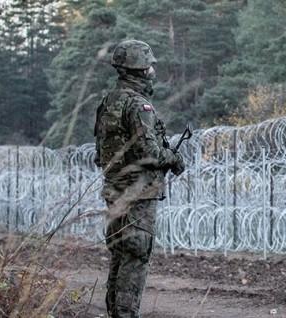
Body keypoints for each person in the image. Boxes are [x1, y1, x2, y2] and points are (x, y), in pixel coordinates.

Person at [94, 39, 185, 318]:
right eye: (149, 65)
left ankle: (115, 312)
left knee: (120, 255)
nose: (153, 70)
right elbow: (150, 153)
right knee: (136, 256)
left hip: (114, 191)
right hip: (139, 195)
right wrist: (174, 158)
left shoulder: (109, 102)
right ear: (140, 69)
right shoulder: (139, 106)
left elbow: (101, 153)